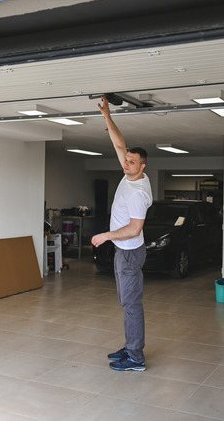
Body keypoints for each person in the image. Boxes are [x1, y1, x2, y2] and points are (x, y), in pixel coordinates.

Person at [91, 95, 152, 372]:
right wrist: (107, 116)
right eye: (126, 160)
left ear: (143, 167)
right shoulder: (131, 175)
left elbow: (135, 228)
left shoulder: (138, 192)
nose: (125, 163)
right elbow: (119, 143)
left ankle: (136, 357)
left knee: (131, 305)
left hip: (129, 251)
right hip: (124, 251)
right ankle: (130, 347)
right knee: (126, 302)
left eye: (131, 161)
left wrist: (105, 235)